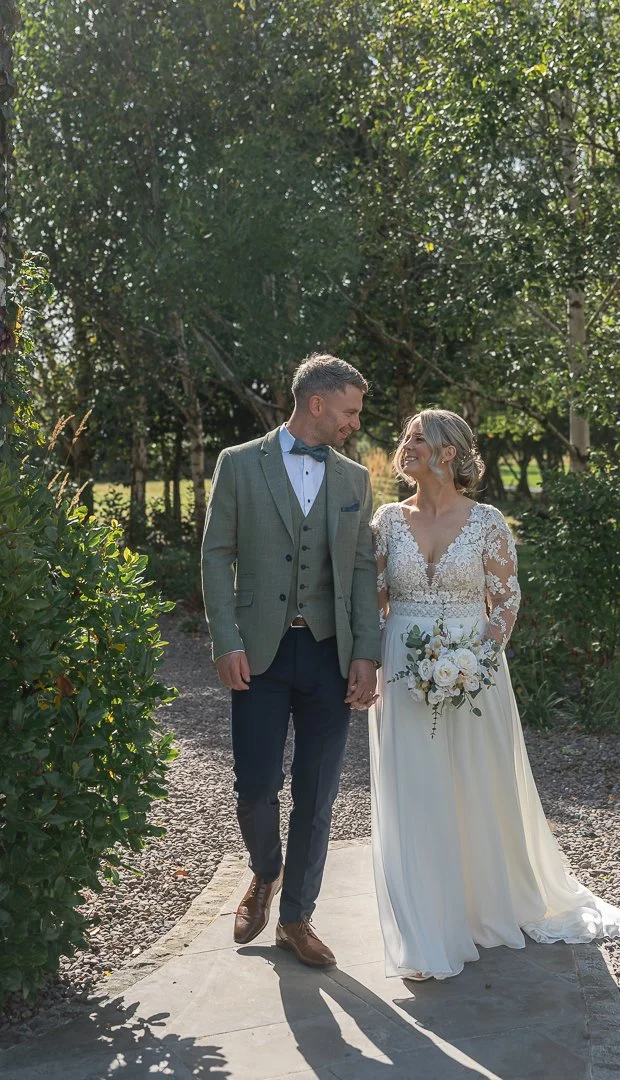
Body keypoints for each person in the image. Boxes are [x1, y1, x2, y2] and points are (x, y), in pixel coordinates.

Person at [369, 409, 620, 981]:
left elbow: (506, 606)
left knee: (477, 787)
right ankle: (426, 932)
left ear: (449, 452)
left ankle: (484, 909)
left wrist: (473, 662)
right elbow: (372, 601)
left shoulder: (488, 522)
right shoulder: (387, 522)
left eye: (419, 438)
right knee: (413, 793)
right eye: (406, 438)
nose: (406, 445)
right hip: (401, 671)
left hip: (475, 674)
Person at [201, 354, 381, 968]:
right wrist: (226, 641)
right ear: (318, 405)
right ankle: (265, 870)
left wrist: (367, 654)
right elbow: (216, 555)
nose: (355, 423)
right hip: (260, 650)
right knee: (254, 785)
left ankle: (297, 918)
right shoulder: (239, 464)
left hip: (330, 654)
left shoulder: (355, 480)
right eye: (351, 411)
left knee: (317, 792)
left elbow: (359, 570)